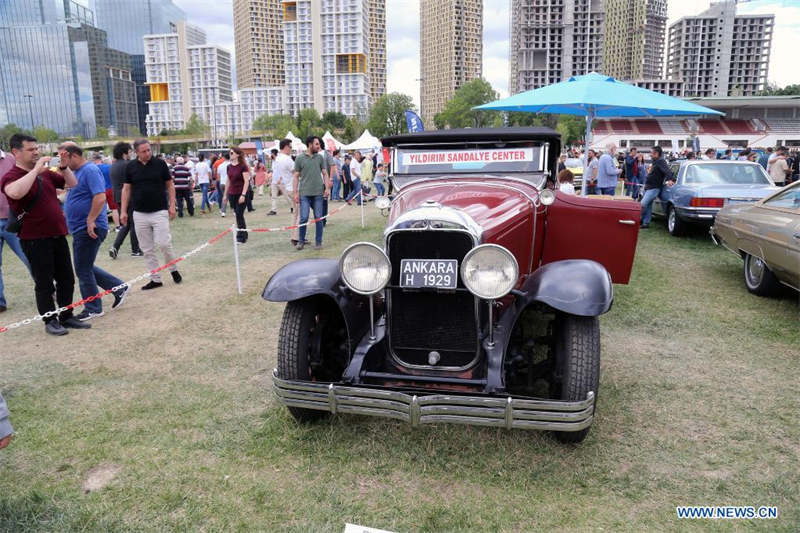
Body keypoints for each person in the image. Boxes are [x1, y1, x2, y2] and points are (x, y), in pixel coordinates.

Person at [0, 134, 90, 335]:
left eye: (36, 148)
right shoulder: (12, 175)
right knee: (44, 282)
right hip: (34, 238)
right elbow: (14, 193)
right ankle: (50, 320)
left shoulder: (46, 174)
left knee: (67, 278)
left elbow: (72, 183)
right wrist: (35, 170)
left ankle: (67, 316)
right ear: (16, 152)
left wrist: (65, 166)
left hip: (57, 233)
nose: (36, 152)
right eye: (31, 149)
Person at [62, 145, 127, 320]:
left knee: (83, 269)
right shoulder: (75, 172)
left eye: (63, 157)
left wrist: (90, 220)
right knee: (85, 267)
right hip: (81, 227)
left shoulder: (89, 170)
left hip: (89, 228)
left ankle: (93, 307)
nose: (62, 161)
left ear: (73, 155)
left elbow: (100, 197)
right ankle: (118, 287)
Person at [121, 139, 182, 290]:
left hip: (159, 211)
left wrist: (172, 205)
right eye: (144, 151)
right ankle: (155, 278)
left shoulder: (160, 164)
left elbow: (170, 185)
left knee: (164, 243)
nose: (148, 153)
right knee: (147, 249)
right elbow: (126, 189)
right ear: (136, 152)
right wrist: (123, 211)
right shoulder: (130, 167)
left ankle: (173, 269)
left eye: (149, 150)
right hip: (139, 213)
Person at [0, 149, 32, 313]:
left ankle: (49, 290)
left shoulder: (11, 159)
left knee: (28, 256)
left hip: (12, 218)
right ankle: (0, 303)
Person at [293, 136, 329, 250]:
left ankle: (318, 242)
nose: (319, 146)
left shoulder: (320, 158)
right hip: (304, 194)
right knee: (303, 218)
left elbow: (325, 173)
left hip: (318, 193)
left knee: (318, 218)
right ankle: (301, 241)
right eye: (317, 144)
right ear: (310, 144)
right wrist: (295, 193)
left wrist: (327, 188)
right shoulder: (300, 158)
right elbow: (296, 176)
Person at [108, 142, 142, 259]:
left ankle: (115, 247)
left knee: (126, 224)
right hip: (128, 197)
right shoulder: (128, 165)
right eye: (129, 151)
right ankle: (135, 250)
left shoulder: (113, 165)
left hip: (117, 197)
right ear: (125, 152)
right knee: (133, 223)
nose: (131, 153)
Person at [640, 146, 674, 229]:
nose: (650, 154)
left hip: (654, 188)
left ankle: (638, 219)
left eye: (651, 153)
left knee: (642, 204)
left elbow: (668, 171)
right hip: (649, 187)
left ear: (657, 154)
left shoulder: (661, 161)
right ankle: (645, 223)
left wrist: (670, 180)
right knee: (648, 206)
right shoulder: (655, 161)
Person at [227, 146, 251, 245]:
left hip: (242, 193)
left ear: (237, 154)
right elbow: (228, 180)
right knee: (237, 214)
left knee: (239, 214)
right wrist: (225, 195)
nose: (230, 154)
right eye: (230, 153)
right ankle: (244, 234)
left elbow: (246, 182)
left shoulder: (243, 166)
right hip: (232, 193)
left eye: (232, 153)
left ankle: (241, 237)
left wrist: (243, 195)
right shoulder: (228, 166)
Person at [268, 139, 295, 217]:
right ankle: (273, 210)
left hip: (282, 181)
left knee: (287, 196)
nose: (270, 155)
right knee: (273, 197)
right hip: (275, 181)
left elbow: (283, 171)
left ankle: (292, 206)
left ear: (275, 154)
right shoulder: (275, 161)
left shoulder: (280, 159)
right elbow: (274, 171)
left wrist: (280, 178)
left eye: (272, 154)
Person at [93, 154, 119, 230]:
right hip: (110, 189)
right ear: (101, 160)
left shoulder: (93, 168)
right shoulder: (109, 167)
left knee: (102, 210)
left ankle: (106, 228)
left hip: (100, 190)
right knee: (114, 209)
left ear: (95, 161)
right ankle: (117, 227)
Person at [216, 152, 230, 217]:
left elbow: (218, 177)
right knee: (231, 197)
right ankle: (233, 210)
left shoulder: (220, 166)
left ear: (224, 158)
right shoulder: (231, 164)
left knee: (224, 197)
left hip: (222, 183)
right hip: (229, 183)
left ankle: (223, 211)